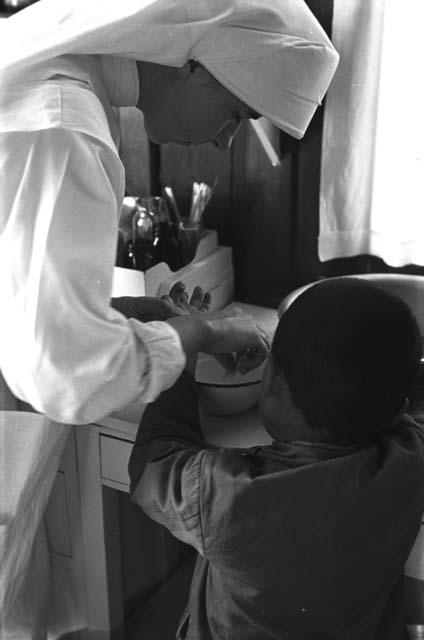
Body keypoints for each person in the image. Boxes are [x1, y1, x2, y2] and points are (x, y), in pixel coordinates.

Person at [0, 0, 339, 425]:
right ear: (192, 66)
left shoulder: (62, 76)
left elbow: (19, 296)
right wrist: (203, 332)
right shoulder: (64, 126)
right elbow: (66, 377)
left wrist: (133, 316)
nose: (225, 142)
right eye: (236, 114)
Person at [129, 277, 424, 640]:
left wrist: (189, 343)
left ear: (272, 382)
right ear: (399, 408)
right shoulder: (410, 461)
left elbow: (153, 461)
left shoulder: (229, 499)